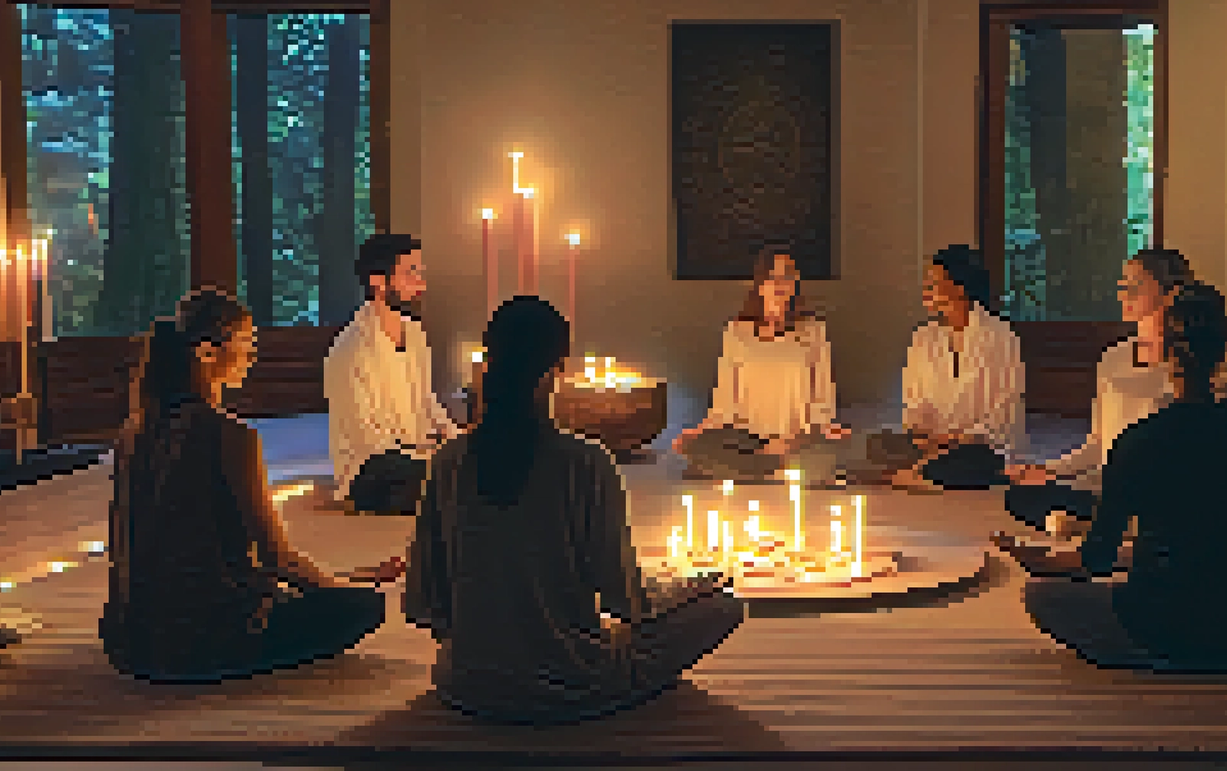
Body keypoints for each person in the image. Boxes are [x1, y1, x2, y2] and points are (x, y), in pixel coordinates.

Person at [407, 296, 746, 725]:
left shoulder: (448, 461)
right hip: (572, 681)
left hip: (467, 683)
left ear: (488, 360)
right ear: (559, 369)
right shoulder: (586, 462)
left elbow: (423, 601)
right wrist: (687, 588)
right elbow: (625, 599)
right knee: (724, 607)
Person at [102, 287, 386, 683]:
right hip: (207, 639)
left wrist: (342, 577)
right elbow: (275, 558)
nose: (251, 357)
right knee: (366, 607)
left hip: (130, 641)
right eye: (246, 345)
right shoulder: (229, 435)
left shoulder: (133, 434)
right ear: (207, 353)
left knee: (310, 591)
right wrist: (339, 589)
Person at [1021, 282, 1227, 673]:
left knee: (1041, 596)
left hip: (1164, 623)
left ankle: (1166, 654)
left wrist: (1046, 561)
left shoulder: (1141, 439)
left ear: (1166, 352)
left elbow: (1098, 559)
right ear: (1222, 352)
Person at [1004, 248, 1195, 536]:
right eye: (1122, 284)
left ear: (1170, 293)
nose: (1124, 293)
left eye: (1136, 285)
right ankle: (1112, 526)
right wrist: (1047, 469)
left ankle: (1104, 527)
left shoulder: (1186, 362)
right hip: (1110, 488)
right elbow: (1096, 445)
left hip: (1159, 491)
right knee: (1022, 496)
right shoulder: (1113, 357)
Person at [840, 245, 1025, 491]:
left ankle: (908, 475)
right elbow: (915, 402)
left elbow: (1004, 409)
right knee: (877, 443)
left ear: (960, 288)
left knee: (976, 459)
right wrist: (923, 436)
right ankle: (923, 471)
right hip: (932, 444)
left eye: (934, 282)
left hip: (979, 446)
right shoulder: (923, 337)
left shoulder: (1000, 336)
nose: (926, 289)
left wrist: (958, 439)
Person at [672, 246, 852, 487]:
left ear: (795, 284)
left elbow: (822, 396)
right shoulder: (737, 332)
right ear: (760, 284)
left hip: (797, 439)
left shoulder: (813, 331)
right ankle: (774, 468)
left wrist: (817, 431)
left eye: (786, 276)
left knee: (834, 452)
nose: (779, 284)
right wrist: (699, 431)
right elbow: (725, 399)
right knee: (697, 447)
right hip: (745, 438)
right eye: (772, 276)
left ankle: (748, 469)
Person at [325, 233, 460, 516]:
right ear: (378, 281)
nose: (421, 284)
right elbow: (365, 438)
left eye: (421, 273)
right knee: (444, 480)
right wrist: (427, 455)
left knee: (474, 464)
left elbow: (427, 401)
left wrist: (456, 439)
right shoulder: (351, 348)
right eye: (410, 273)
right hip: (371, 468)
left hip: (417, 454)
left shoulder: (414, 333)